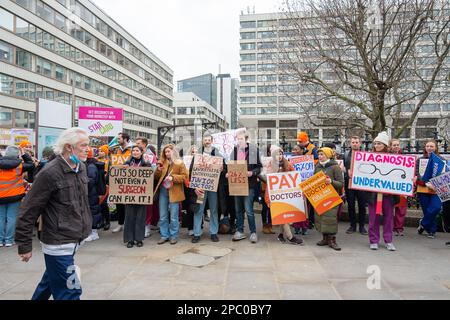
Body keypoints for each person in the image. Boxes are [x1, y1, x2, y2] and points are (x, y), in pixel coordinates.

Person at [15, 128, 91, 300]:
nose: (88, 149)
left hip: (74, 239)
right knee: (70, 291)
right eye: (83, 145)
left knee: (49, 282)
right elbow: (28, 209)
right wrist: (24, 245)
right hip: (58, 243)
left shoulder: (81, 167)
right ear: (69, 147)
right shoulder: (49, 173)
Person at [263, 146, 303, 245]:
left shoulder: (288, 164)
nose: (279, 156)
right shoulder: (270, 167)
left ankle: (281, 235)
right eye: (277, 154)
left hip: (287, 196)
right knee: (283, 216)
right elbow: (269, 184)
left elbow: (294, 177)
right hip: (275, 196)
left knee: (285, 217)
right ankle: (291, 237)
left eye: (280, 154)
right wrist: (268, 199)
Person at [190, 134, 226, 243]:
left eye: (208, 140)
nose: (207, 141)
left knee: (214, 209)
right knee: (199, 209)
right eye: (205, 140)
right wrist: (195, 186)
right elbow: (192, 171)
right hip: (201, 187)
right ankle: (197, 233)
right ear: (203, 141)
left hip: (213, 187)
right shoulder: (198, 154)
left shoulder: (217, 153)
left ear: (212, 141)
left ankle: (213, 232)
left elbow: (223, 169)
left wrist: (222, 168)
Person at [228, 130, 262, 243]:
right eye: (237, 139)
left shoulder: (253, 150)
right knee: (238, 209)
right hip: (237, 184)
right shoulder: (235, 150)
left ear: (246, 139)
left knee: (248, 210)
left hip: (250, 184)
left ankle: (253, 232)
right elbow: (230, 165)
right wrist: (228, 173)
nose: (239, 141)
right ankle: (240, 231)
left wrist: (252, 173)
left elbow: (259, 167)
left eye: (241, 139)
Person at [0, 146, 35, 247]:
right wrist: (24, 153)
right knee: (11, 218)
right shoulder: (20, 166)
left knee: (1, 218)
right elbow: (31, 164)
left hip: (0, 196)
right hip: (15, 196)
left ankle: (0, 240)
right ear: (17, 154)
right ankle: (9, 240)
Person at [367, 132, 396, 251]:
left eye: (379, 143)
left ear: (385, 145)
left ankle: (388, 240)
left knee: (389, 217)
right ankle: (374, 240)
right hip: (374, 194)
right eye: (375, 143)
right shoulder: (368, 157)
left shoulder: (393, 158)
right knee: (373, 217)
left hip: (388, 194)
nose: (377, 145)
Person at [154, 144, 188, 245]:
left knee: (174, 216)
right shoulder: (162, 162)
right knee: (163, 215)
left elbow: (185, 177)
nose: (167, 153)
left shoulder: (180, 163)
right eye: (165, 152)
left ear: (173, 151)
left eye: (169, 151)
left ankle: (174, 236)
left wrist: (173, 177)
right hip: (163, 191)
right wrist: (158, 171)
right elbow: (156, 178)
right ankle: (164, 235)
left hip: (175, 191)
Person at [314, 147, 344, 251]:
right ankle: (325, 238)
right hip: (320, 197)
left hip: (332, 198)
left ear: (328, 155)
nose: (320, 156)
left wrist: (331, 182)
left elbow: (341, 184)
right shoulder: (317, 167)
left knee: (330, 219)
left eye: (322, 154)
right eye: (319, 154)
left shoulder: (335, 167)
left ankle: (332, 240)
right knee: (321, 218)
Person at [123, 145, 153, 248]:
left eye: (137, 150)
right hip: (129, 195)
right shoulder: (126, 164)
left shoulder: (147, 165)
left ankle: (139, 239)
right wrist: (124, 169)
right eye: (133, 151)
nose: (135, 152)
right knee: (129, 217)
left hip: (142, 195)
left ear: (141, 152)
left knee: (140, 218)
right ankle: (130, 239)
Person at [416, 139, 444, 239]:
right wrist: (425, 182)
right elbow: (417, 173)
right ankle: (431, 230)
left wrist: (435, 184)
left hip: (436, 190)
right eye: (427, 146)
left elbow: (444, 175)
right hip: (423, 188)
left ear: (436, 148)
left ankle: (423, 223)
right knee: (427, 210)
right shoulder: (420, 160)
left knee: (435, 208)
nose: (429, 148)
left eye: (431, 146)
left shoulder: (443, 160)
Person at [343, 136, 368, 235]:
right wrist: (346, 172)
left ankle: (362, 226)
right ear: (350, 143)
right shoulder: (345, 155)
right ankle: (352, 225)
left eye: (357, 142)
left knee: (362, 205)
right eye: (353, 142)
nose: (355, 144)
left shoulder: (365, 154)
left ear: (360, 143)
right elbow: (343, 167)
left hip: (361, 183)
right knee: (351, 205)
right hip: (349, 183)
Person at [135, 137, 158, 238]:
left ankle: (146, 227)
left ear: (144, 144)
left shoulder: (150, 156)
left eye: (138, 143)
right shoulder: (135, 155)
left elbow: (153, 171)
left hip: (147, 185)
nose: (137, 145)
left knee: (147, 206)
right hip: (136, 185)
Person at [110, 132, 132, 233]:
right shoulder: (117, 150)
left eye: (119, 139)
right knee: (119, 202)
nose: (117, 141)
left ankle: (128, 224)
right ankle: (120, 224)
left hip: (129, 180)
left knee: (128, 203)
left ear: (125, 139)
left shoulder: (132, 149)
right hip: (118, 179)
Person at [297, 131, 318, 229]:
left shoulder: (313, 148)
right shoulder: (300, 147)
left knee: (310, 202)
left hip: (309, 177)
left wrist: (308, 162)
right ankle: (302, 221)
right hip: (301, 178)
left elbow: (317, 160)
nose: (299, 143)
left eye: (300, 141)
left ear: (306, 140)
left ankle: (311, 221)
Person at [390, 139, 408, 236]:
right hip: (390, 186)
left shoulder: (405, 158)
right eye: (394, 145)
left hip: (401, 186)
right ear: (390, 146)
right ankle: (391, 227)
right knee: (389, 208)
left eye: (397, 145)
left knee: (401, 208)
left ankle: (399, 228)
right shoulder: (387, 157)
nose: (396, 146)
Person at [290, 143, 309, 235]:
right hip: (295, 186)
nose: (294, 151)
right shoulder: (290, 161)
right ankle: (297, 226)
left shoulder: (308, 160)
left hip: (304, 185)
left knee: (304, 207)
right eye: (293, 149)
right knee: (296, 206)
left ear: (302, 150)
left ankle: (304, 226)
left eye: (296, 149)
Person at [84, 148, 102, 242]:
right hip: (89, 192)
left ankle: (94, 233)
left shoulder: (91, 166)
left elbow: (91, 180)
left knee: (93, 211)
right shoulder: (89, 165)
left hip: (91, 193)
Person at [97, 145, 110, 231]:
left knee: (104, 204)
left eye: (101, 151)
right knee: (99, 204)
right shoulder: (96, 160)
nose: (100, 152)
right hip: (98, 184)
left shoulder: (109, 161)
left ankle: (107, 221)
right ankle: (101, 221)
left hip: (106, 185)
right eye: (99, 151)